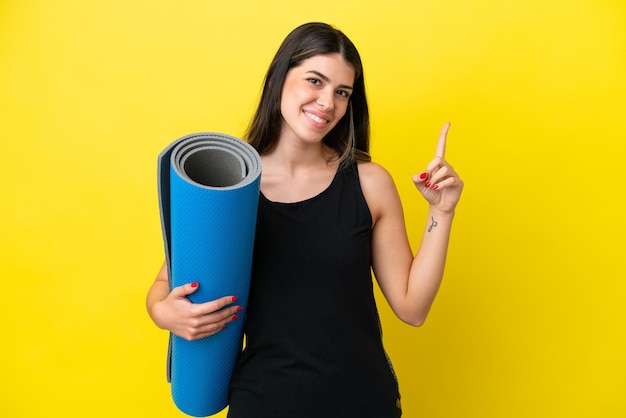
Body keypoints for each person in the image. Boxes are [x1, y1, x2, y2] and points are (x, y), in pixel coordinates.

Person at [147, 22, 463, 418]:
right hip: (263, 402)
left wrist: (442, 211)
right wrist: (164, 313)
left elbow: (412, 308)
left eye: (342, 92)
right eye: (315, 81)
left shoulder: (369, 183)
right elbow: (164, 286)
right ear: (281, 79)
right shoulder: (234, 185)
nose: (327, 102)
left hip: (362, 402)